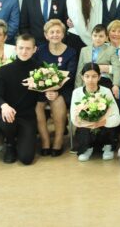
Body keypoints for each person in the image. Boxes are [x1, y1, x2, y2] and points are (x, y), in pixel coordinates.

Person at [0, 34, 42, 165]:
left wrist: (39, 86)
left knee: (26, 159)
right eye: (21, 48)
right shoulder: (4, 70)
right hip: (9, 114)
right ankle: (10, 144)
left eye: (28, 48)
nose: (24, 51)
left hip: (27, 116)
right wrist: (4, 106)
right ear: (15, 48)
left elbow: (43, 98)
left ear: (34, 49)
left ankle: (22, 140)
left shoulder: (40, 69)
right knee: (7, 118)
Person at [35, 20, 77, 155]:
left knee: (57, 100)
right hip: (42, 88)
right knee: (37, 104)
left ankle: (58, 141)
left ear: (63, 34)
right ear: (46, 35)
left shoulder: (71, 52)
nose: (55, 35)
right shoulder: (40, 50)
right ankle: (45, 141)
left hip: (64, 87)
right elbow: (36, 72)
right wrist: (46, 89)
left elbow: (70, 75)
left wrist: (56, 90)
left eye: (58, 32)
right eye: (51, 32)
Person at [71, 63, 120, 162]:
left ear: (99, 77)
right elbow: (74, 118)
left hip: (103, 128)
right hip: (87, 128)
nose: (90, 80)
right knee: (82, 130)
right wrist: (90, 123)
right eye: (87, 76)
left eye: (94, 76)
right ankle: (87, 148)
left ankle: (108, 146)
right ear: (82, 77)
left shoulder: (106, 91)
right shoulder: (76, 92)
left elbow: (117, 117)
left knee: (111, 124)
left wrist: (102, 122)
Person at [76, 24, 120, 102]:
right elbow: (79, 70)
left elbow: (117, 67)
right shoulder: (84, 50)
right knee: (86, 102)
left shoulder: (111, 50)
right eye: (95, 35)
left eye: (101, 36)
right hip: (87, 80)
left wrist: (116, 85)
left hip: (104, 79)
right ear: (91, 36)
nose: (97, 38)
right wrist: (77, 88)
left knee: (104, 101)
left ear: (106, 38)